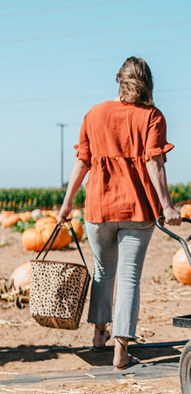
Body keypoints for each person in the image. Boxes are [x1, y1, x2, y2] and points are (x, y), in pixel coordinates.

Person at [58, 56, 182, 369]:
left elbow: (82, 162)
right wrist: (167, 205)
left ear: (118, 79)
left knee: (103, 271)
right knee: (128, 279)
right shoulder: (152, 116)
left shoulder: (94, 113)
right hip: (137, 209)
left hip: (98, 207)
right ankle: (121, 350)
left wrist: (66, 202)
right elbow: (155, 163)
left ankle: (99, 335)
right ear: (148, 82)